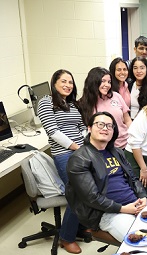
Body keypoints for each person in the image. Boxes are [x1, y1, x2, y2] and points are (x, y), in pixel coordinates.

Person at [65, 111, 147, 242]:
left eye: (109, 126)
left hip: (134, 204)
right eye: (100, 124)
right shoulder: (79, 158)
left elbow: (133, 179)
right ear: (89, 128)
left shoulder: (117, 152)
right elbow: (91, 198)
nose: (105, 128)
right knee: (141, 242)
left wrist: (143, 196)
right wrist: (123, 209)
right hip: (108, 213)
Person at [37, 69, 85, 254]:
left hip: (81, 151)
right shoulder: (45, 102)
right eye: (63, 81)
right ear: (54, 83)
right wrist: (76, 147)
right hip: (64, 154)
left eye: (70, 82)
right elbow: (52, 130)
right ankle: (66, 237)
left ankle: (79, 227)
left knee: (87, 190)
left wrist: (85, 145)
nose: (67, 85)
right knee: (76, 194)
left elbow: (81, 127)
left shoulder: (72, 104)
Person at [78, 67, 132, 149]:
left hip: (126, 144)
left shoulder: (116, 96)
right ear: (93, 82)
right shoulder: (84, 104)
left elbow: (127, 120)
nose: (107, 85)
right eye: (103, 81)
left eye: (109, 82)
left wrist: (133, 137)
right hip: (103, 148)